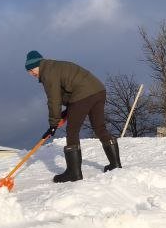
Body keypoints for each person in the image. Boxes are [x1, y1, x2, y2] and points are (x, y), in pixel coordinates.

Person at [25, 51, 120, 182]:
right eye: (28, 72)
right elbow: (71, 91)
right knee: (99, 127)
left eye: (31, 69)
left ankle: (73, 173)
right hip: (98, 90)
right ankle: (115, 165)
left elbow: (54, 99)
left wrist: (53, 123)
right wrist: (65, 113)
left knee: (72, 131)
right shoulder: (54, 66)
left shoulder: (48, 73)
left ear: (39, 64)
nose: (31, 74)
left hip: (83, 94)